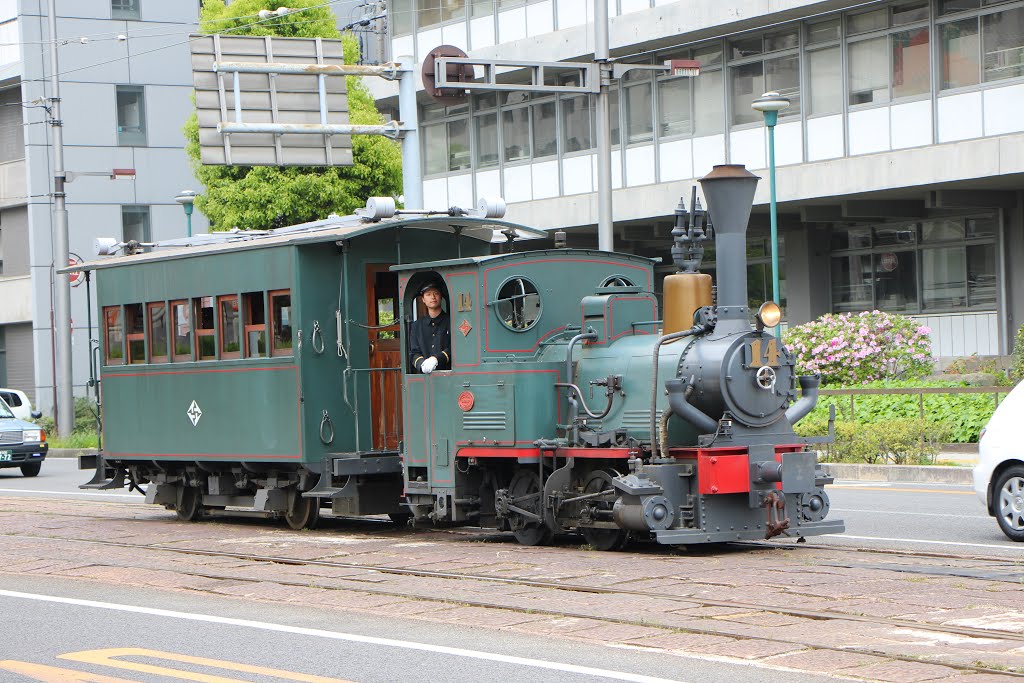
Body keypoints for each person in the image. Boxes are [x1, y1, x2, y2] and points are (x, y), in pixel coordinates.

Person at [409, 281, 451, 374]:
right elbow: (414, 353)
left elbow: (454, 348)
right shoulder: (417, 326)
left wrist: (436, 359)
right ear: (423, 299)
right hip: (424, 378)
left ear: (441, 297)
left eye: (436, 293)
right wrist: (422, 364)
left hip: (448, 374)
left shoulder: (451, 322)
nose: (433, 297)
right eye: (428, 294)